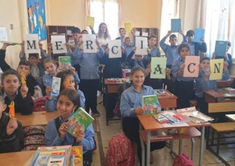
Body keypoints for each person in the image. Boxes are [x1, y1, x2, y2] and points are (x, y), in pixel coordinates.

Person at [120, 66, 166, 165]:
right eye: (136, 77)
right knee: (142, 141)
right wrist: (134, 111)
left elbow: (158, 105)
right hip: (132, 122)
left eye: (141, 76)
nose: (139, 79)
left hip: (148, 122)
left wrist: (157, 109)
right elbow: (123, 111)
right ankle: (144, 162)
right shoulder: (126, 94)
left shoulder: (149, 90)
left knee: (162, 141)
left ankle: (148, 150)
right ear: (131, 77)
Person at [45, 89, 95, 166]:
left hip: (81, 156)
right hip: (59, 157)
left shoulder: (83, 121)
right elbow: (49, 147)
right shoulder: (52, 124)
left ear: (74, 106)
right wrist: (60, 137)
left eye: (68, 104)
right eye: (60, 102)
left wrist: (81, 140)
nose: (62, 107)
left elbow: (91, 145)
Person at [69, 36, 104, 115]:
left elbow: (102, 55)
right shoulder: (81, 52)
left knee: (93, 94)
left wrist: (98, 45)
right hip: (84, 77)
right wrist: (78, 46)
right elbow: (75, 56)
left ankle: (94, 109)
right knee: (84, 93)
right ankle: (86, 109)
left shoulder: (96, 52)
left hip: (94, 76)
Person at [171, 43, 196, 108]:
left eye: (187, 50)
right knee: (180, 104)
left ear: (190, 52)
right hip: (180, 85)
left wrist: (199, 69)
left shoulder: (194, 61)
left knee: (189, 104)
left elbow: (197, 76)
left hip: (190, 84)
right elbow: (176, 76)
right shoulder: (176, 62)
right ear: (179, 53)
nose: (185, 52)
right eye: (182, 51)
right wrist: (181, 70)